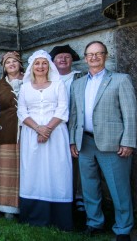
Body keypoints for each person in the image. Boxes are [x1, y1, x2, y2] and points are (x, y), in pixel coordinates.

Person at [69, 41, 137, 241]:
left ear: (106, 56)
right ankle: (94, 223)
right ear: (85, 57)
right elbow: (74, 115)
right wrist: (73, 141)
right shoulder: (78, 83)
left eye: (98, 53)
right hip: (85, 142)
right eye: (90, 54)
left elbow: (130, 114)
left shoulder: (120, 80)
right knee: (89, 187)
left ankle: (123, 229)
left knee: (119, 188)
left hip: (113, 144)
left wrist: (128, 142)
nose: (94, 57)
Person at [17, 50, 73, 231]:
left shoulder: (58, 85)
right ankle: (34, 215)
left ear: (49, 66)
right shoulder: (25, 87)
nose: (40, 67)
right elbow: (22, 111)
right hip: (31, 133)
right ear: (32, 67)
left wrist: (47, 129)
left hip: (56, 134)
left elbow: (63, 108)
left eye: (44, 63)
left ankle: (60, 217)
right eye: (37, 63)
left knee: (57, 169)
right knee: (33, 170)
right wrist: (38, 128)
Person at [49, 44, 84, 212]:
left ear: (72, 60)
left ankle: (79, 197)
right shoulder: (49, 80)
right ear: (53, 62)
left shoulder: (80, 77)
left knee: (77, 162)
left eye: (66, 57)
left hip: (75, 125)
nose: (63, 59)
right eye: (59, 57)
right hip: (55, 126)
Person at [0, 51, 24, 219]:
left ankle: (27, 204)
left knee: (27, 170)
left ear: (20, 63)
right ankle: (7, 208)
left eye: (14, 61)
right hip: (6, 132)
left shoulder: (31, 81)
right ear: (4, 67)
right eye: (7, 63)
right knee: (7, 170)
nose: (11, 64)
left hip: (29, 132)